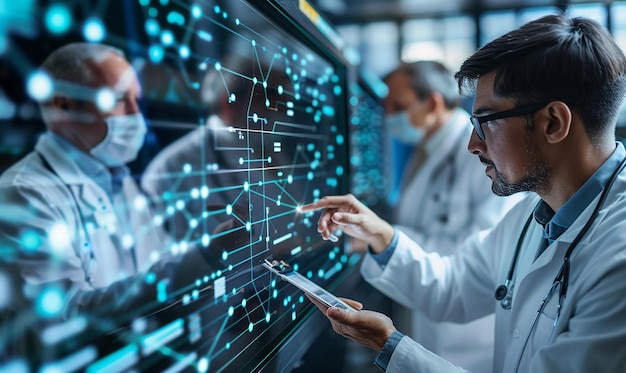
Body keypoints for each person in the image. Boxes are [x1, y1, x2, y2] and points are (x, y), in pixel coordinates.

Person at [301, 14, 626, 372]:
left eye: (485, 123)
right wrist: (380, 235)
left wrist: (389, 345)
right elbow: (453, 287)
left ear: (553, 123)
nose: (473, 144)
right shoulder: (534, 216)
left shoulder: (617, 260)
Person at [0, 42, 214, 321]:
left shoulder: (123, 184)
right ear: (64, 105)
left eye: (136, 100)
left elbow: (155, 269)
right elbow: (69, 316)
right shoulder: (23, 194)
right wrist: (204, 258)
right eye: (118, 99)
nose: (136, 116)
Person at [380, 60, 523, 371]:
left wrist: (387, 239)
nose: (389, 117)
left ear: (432, 102)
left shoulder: (486, 155)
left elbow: (479, 252)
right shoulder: (423, 150)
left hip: (465, 337)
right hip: (431, 305)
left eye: (397, 106)